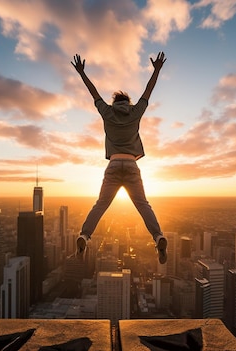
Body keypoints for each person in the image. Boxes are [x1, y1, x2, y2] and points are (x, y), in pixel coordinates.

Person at [71, 51, 168, 264]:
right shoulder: (135, 112)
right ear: (128, 102)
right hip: (132, 165)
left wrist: (81, 73)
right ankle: (158, 236)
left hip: (114, 164)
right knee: (143, 205)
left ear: (115, 102)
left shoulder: (107, 111)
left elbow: (93, 92)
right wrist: (157, 69)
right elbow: (148, 91)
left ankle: (84, 236)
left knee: (101, 205)